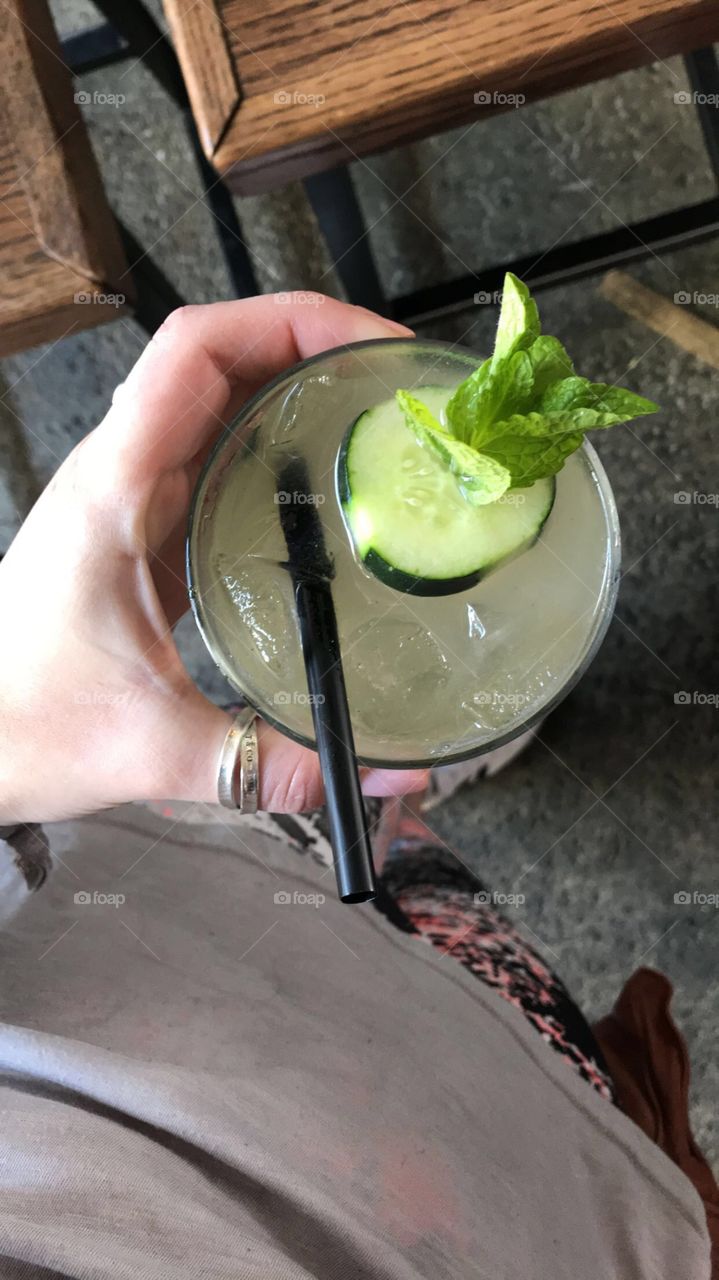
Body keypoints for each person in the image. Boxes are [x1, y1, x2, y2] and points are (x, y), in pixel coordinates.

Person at [0, 296, 710, 1278]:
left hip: (166, 915)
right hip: (496, 1174)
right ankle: (400, 788)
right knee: (432, 902)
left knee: (396, 856)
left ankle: (395, 796)